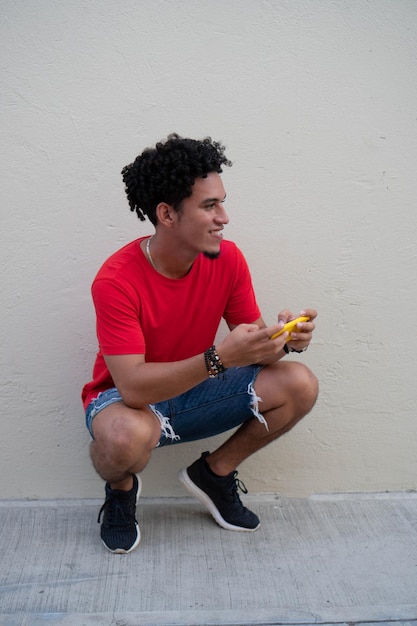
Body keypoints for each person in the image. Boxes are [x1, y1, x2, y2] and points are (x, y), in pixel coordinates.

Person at [82, 133, 318, 554]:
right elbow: (133, 387)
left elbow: (256, 349)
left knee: (298, 382)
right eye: (210, 206)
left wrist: (286, 341)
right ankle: (120, 490)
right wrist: (217, 359)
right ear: (167, 214)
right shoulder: (116, 280)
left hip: (197, 390)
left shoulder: (227, 260)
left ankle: (214, 474)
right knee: (122, 440)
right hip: (126, 402)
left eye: (222, 202)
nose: (223, 217)